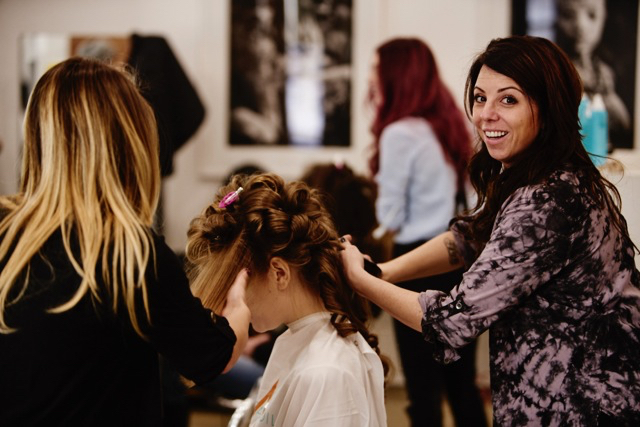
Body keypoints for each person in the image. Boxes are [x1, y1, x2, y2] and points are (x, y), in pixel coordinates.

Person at [340, 35, 640, 426]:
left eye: (508, 100)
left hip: (576, 406)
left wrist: (357, 280)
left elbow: (450, 321)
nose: (485, 115)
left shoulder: (547, 200)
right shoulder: (542, 174)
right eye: (480, 98)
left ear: (548, 108)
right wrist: (384, 271)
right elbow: (471, 236)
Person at [0, 57, 250, 426]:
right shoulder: (130, 253)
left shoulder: (7, 237)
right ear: (129, 145)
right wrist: (238, 308)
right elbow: (211, 358)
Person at [186, 172, 388, 426]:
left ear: (279, 273)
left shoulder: (327, 373)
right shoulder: (292, 341)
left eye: (239, 283)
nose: (234, 299)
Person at [366, 37, 486, 427]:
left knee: (422, 388)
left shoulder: (399, 133)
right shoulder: (456, 126)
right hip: (459, 259)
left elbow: (390, 216)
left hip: (416, 262)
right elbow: (473, 201)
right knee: (462, 384)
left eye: (376, 68)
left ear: (395, 76)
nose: (371, 76)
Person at [555, 0, 631, 143]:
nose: (580, 26)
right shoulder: (555, 70)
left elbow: (623, 123)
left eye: (591, 15)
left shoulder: (605, 71)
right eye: (568, 15)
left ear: (604, 18)